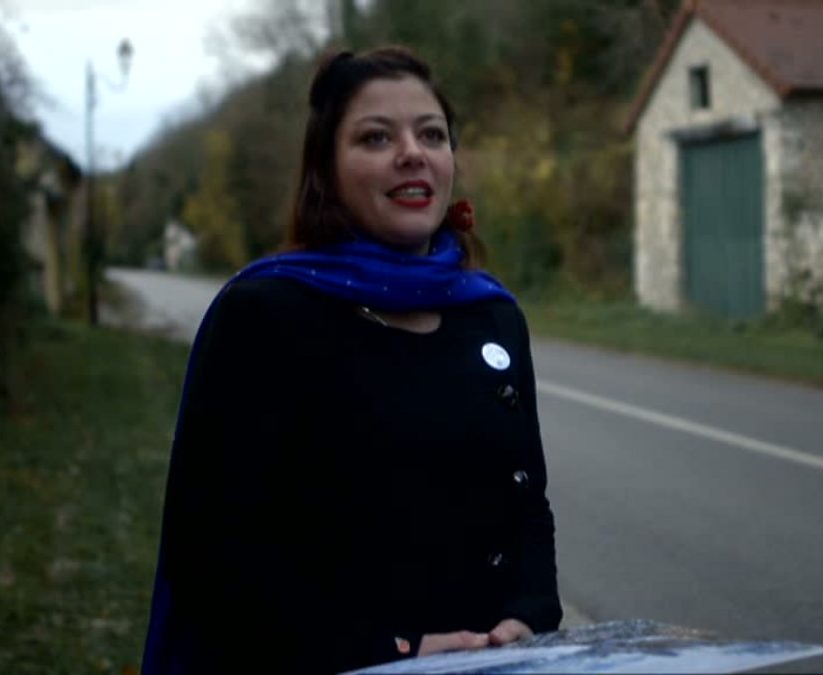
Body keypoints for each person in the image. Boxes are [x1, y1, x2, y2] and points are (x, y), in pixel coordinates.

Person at [140, 47, 562, 674]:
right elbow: (211, 552)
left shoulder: (493, 316)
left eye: (432, 134)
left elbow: (527, 505)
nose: (412, 152)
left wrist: (529, 614)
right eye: (376, 137)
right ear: (325, 168)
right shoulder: (265, 316)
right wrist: (394, 650)